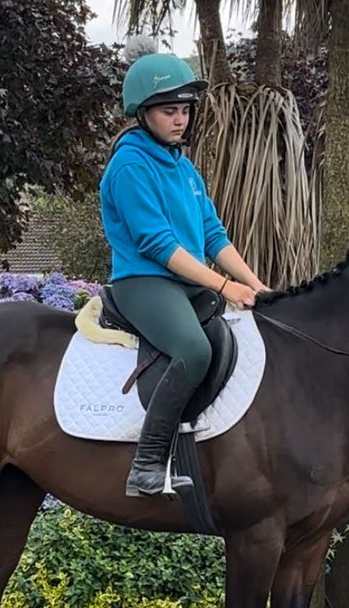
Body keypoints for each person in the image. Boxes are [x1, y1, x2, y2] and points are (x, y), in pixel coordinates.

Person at [100, 52, 269, 498]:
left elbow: (213, 235)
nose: (179, 120)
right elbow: (158, 245)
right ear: (143, 113)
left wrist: (254, 284)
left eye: (184, 110)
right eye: (168, 111)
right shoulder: (131, 165)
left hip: (185, 283)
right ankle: (147, 462)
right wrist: (223, 285)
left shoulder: (183, 166)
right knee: (193, 350)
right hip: (145, 282)